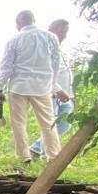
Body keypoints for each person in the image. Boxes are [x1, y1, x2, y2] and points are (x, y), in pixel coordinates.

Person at [0, 10, 62, 164]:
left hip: (19, 86)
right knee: (48, 123)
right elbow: (56, 63)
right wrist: (52, 83)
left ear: (18, 23)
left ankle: (25, 157)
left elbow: (6, 67)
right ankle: (54, 157)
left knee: (19, 124)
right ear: (34, 20)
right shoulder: (51, 37)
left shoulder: (14, 39)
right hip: (42, 86)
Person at [31, 19, 73, 159]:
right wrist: (58, 90)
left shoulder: (59, 50)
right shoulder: (44, 49)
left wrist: (70, 94)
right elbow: (44, 73)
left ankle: (38, 149)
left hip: (64, 96)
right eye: (61, 31)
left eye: (65, 31)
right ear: (51, 30)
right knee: (52, 124)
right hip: (51, 94)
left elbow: (63, 73)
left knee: (64, 124)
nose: (63, 34)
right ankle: (41, 151)